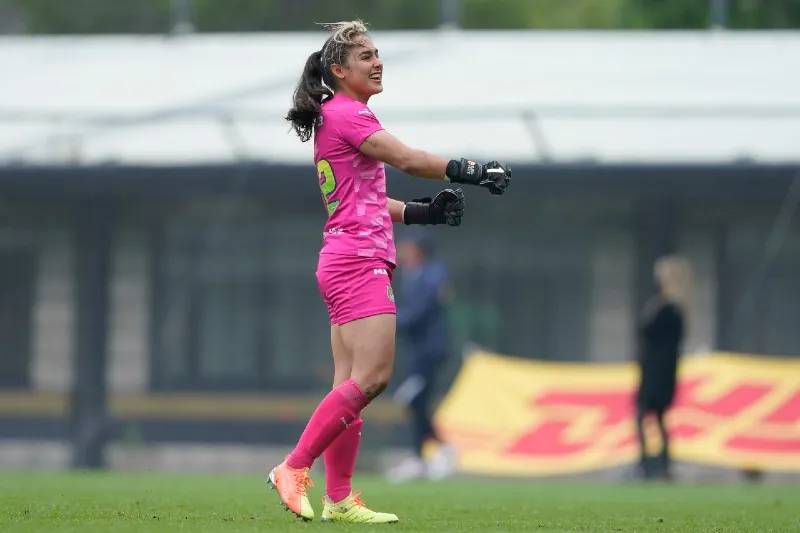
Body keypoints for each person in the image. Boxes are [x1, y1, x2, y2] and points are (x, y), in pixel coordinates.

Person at [267, 19, 511, 524]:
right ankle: (293, 467)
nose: (377, 62)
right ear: (338, 70)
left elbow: (372, 202)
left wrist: (424, 213)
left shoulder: (337, 117)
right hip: (357, 262)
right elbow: (408, 158)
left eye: (378, 52)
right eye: (364, 56)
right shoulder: (347, 114)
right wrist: (472, 170)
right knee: (374, 378)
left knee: (351, 383)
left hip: (345, 256)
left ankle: (338, 498)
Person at [385, 228, 458, 483]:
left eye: (406, 246)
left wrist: (386, 323)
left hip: (431, 350)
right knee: (417, 404)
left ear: (418, 249)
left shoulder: (432, 274)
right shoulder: (410, 275)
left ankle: (441, 450)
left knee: (411, 399)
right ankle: (421, 456)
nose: (402, 251)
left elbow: (419, 312)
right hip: (418, 350)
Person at [634, 255, 692, 481]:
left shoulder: (670, 311)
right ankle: (659, 466)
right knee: (656, 419)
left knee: (646, 416)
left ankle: (650, 465)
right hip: (656, 369)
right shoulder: (665, 308)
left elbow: (651, 335)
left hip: (659, 371)